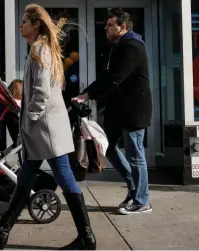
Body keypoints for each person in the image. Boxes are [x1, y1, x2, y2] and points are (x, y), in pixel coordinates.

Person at [0, 3, 96, 250]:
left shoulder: (39, 49)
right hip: (44, 130)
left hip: (45, 131)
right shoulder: (40, 48)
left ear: (36, 24)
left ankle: (87, 238)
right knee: (25, 179)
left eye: (25, 21)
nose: (20, 25)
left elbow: (40, 94)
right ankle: (1, 231)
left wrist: (27, 120)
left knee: (65, 179)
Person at [72, 9, 153, 215]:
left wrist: (88, 94)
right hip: (118, 110)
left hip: (133, 110)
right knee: (107, 147)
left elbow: (115, 76)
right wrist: (87, 93)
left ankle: (143, 201)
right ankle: (134, 188)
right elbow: (109, 75)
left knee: (136, 155)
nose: (106, 28)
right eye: (106, 25)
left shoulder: (132, 46)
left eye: (110, 25)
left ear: (123, 27)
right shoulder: (118, 46)